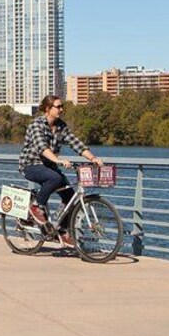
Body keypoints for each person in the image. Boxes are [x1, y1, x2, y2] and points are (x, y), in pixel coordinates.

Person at [19, 94, 104, 246]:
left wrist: (93, 158)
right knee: (55, 178)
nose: (61, 109)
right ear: (47, 108)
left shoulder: (61, 126)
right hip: (30, 164)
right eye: (58, 107)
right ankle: (36, 206)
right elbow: (42, 148)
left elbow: (76, 144)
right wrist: (58, 160)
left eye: (61, 106)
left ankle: (62, 231)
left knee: (70, 196)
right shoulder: (36, 125)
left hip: (49, 166)